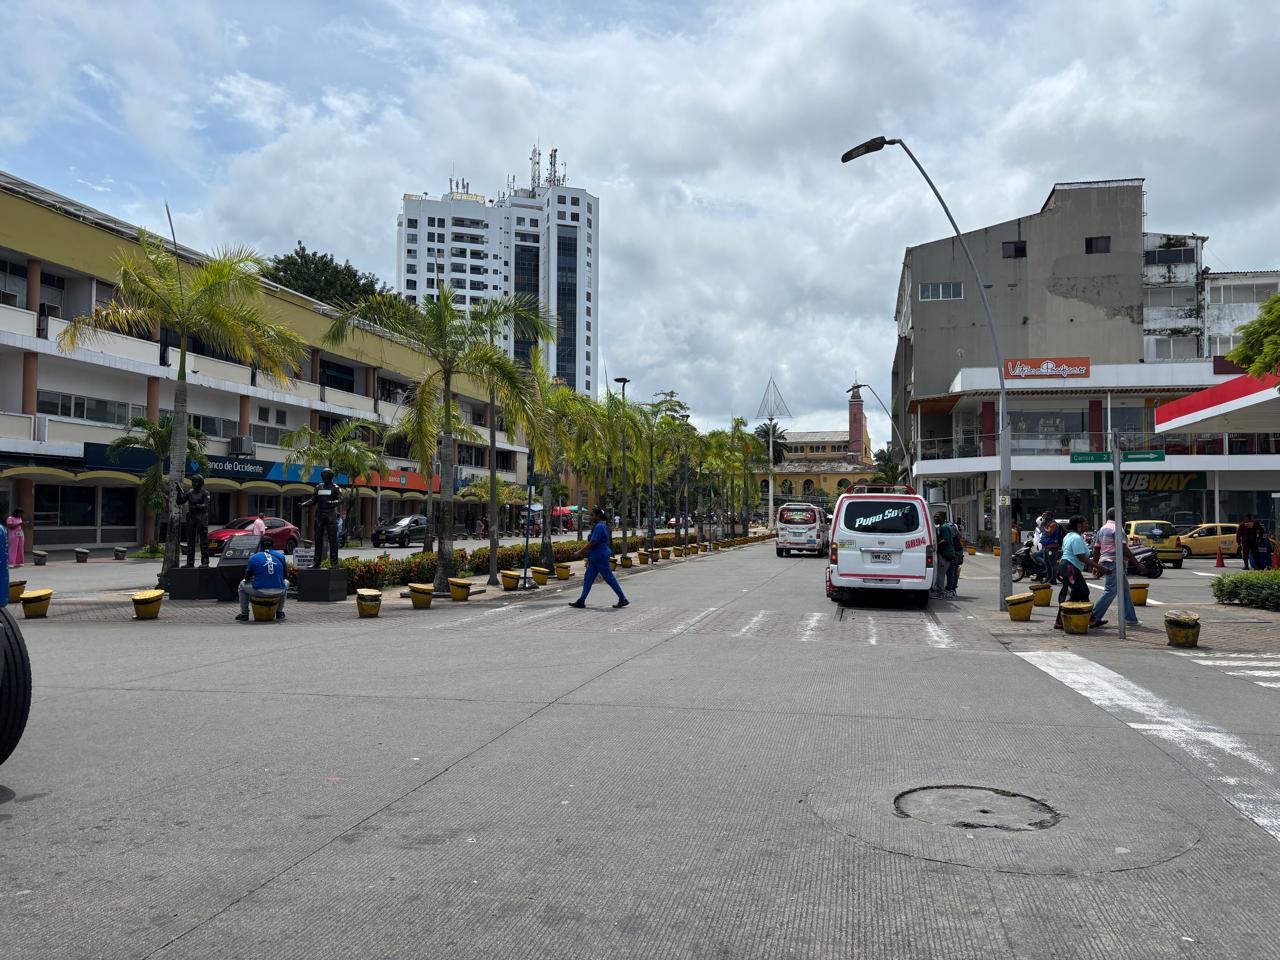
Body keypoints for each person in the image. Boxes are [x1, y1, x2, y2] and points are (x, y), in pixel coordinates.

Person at [568, 506, 628, 609]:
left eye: (592, 515)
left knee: (609, 579)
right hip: (595, 558)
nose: (590, 517)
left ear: (598, 516)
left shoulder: (600, 526)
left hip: (600, 557)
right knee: (588, 579)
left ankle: (623, 599)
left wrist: (580, 552)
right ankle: (581, 601)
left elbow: (593, 542)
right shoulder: (599, 526)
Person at [1090, 508, 1140, 629]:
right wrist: (1137, 564)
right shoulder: (1118, 529)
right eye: (1123, 515)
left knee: (1125, 591)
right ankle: (1094, 617)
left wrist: (1096, 565)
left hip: (1107, 561)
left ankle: (1130, 618)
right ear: (1117, 516)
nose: (1125, 518)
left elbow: (1097, 548)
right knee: (1110, 590)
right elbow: (1124, 548)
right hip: (1114, 563)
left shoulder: (1103, 529)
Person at [1054, 515, 1104, 629]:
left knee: (1082, 592)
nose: (1088, 525)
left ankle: (1091, 619)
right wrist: (1100, 567)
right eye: (1085, 523)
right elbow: (1081, 557)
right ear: (1079, 525)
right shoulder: (1076, 538)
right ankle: (1059, 621)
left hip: (1068, 567)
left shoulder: (1070, 536)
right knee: (1072, 594)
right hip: (1070, 568)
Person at [235, 538, 288, 622]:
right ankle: (279, 612)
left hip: (260, 591)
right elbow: (285, 576)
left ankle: (244, 614)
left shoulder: (254, 557)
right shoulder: (281, 556)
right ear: (272, 546)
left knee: (242, 585)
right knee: (286, 583)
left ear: (260, 546)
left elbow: (247, 578)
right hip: (279, 591)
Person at [301, 467, 342, 567]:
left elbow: (340, 499)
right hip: (320, 515)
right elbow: (313, 499)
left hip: (331, 516)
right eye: (323, 476)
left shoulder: (336, 488)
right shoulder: (319, 487)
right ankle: (316, 562)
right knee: (317, 538)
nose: (324, 477)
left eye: (326, 476)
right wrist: (304, 504)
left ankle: (334, 563)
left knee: (333, 540)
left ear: (331, 477)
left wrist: (333, 502)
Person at [175, 475, 211, 567]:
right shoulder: (190, 492)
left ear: (201, 483)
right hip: (191, 517)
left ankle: (205, 562)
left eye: (196, 482)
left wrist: (197, 506)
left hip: (201, 517)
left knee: (203, 540)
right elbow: (180, 502)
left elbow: (205, 506)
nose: (194, 484)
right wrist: (179, 492)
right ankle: (190, 563)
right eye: (193, 482)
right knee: (190, 541)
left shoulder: (205, 493)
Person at [931, 510, 958, 600]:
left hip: (945, 554)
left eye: (937, 516)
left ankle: (940, 592)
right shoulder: (942, 527)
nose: (935, 518)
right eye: (934, 516)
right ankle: (943, 590)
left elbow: (946, 540)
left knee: (941, 574)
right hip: (946, 553)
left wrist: (936, 545)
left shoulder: (944, 527)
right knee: (946, 574)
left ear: (942, 517)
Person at [1038, 512, 1063, 586]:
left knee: (1052, 564)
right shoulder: (1047, 523)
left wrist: (1043, 526)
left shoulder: (1053, 524)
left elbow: (1049, 532)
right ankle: (1048, 578)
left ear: (1049, 516)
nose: (1043, 516)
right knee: (1047, 563)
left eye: (1045, 515)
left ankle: (1053, 579)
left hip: (1052, 547)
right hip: (1046, 546)